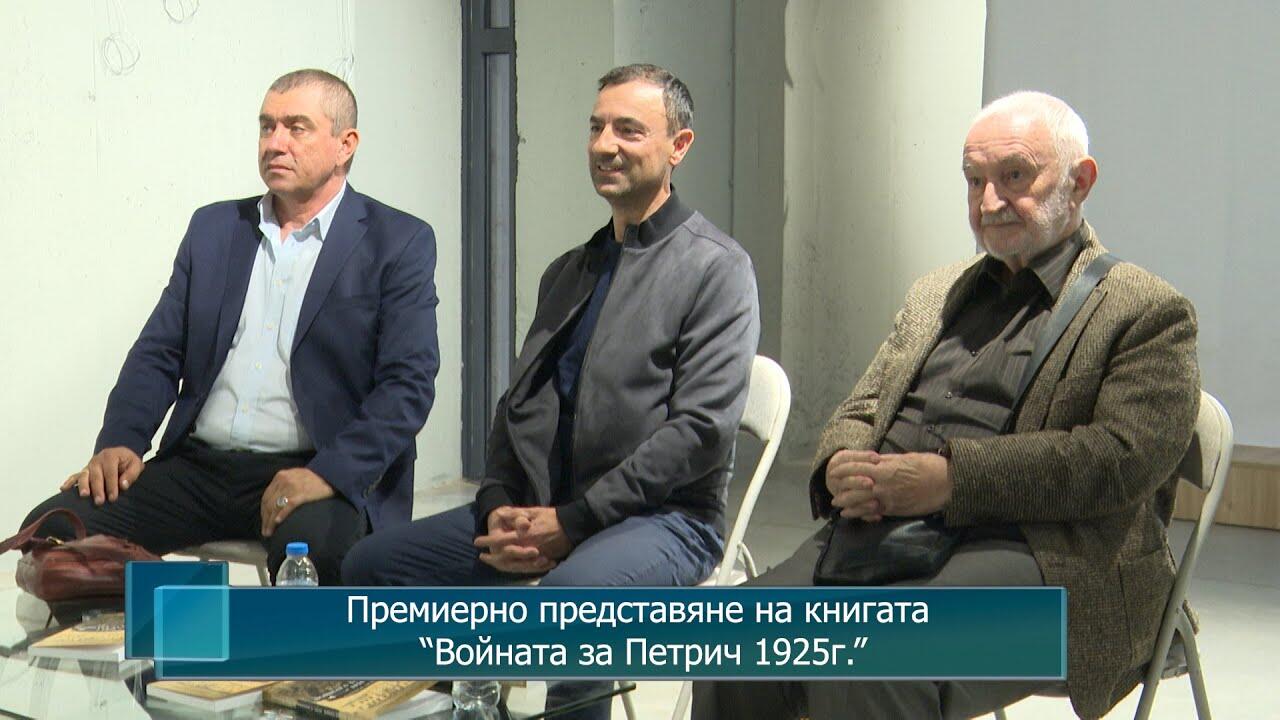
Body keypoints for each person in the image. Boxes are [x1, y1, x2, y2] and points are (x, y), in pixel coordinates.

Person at [693, 91, 1200, 720]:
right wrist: (841, 462)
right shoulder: (937, 293)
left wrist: (951, 481)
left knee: (869, 659)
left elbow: (1118, 461)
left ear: (1080, 181)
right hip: (891, 537)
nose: (989, 202)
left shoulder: (1145, 310)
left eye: (1014, 176)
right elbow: (865, 405)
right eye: (974, 180)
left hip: (1053, 563)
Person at [342, 63, 759, 719]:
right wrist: (497, 504)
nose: (604, 145)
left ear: (678, 146)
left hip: (666, 520)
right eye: (596, 127)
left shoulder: (717, 269)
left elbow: (699, 433)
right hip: (545, 509)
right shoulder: (569, 271)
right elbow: (517, 409)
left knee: (571, 605)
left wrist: (573, 522)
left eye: (628, 130)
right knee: (372, 567)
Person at [22, 69, 440, 586]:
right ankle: (143, 640)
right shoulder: (215, 229)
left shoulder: (396, 241)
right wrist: (122, 440)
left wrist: (329, 474)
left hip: (313, 468)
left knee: (317, 559)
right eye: (267, 127)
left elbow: (407, 385)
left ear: (345, 144)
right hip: (198, 469)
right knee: (56, 533)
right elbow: (159, 351)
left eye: (296, 128)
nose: (275, 143)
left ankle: (287, 646)